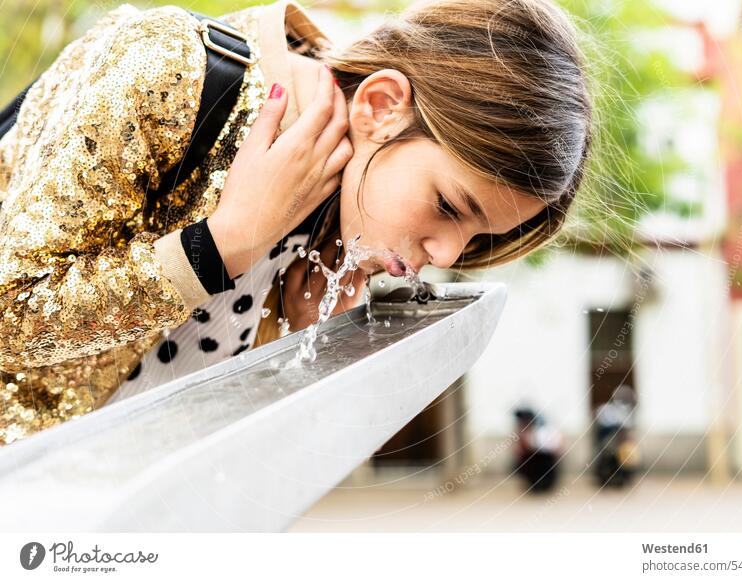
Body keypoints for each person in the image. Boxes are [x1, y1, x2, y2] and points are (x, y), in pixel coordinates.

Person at [0, 0, 593, 445]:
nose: (444, 254)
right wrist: (223, 244)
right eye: (449, 206)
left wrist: (298, 339)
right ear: (382, 106)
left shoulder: (343, 223)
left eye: (479, 238)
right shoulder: (172, 72)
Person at [513, 407, 563, 492]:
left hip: (545, 456)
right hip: (535, 456)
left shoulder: (545, 430)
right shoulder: (526, 431)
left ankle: (543, 486)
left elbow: (556, 445)